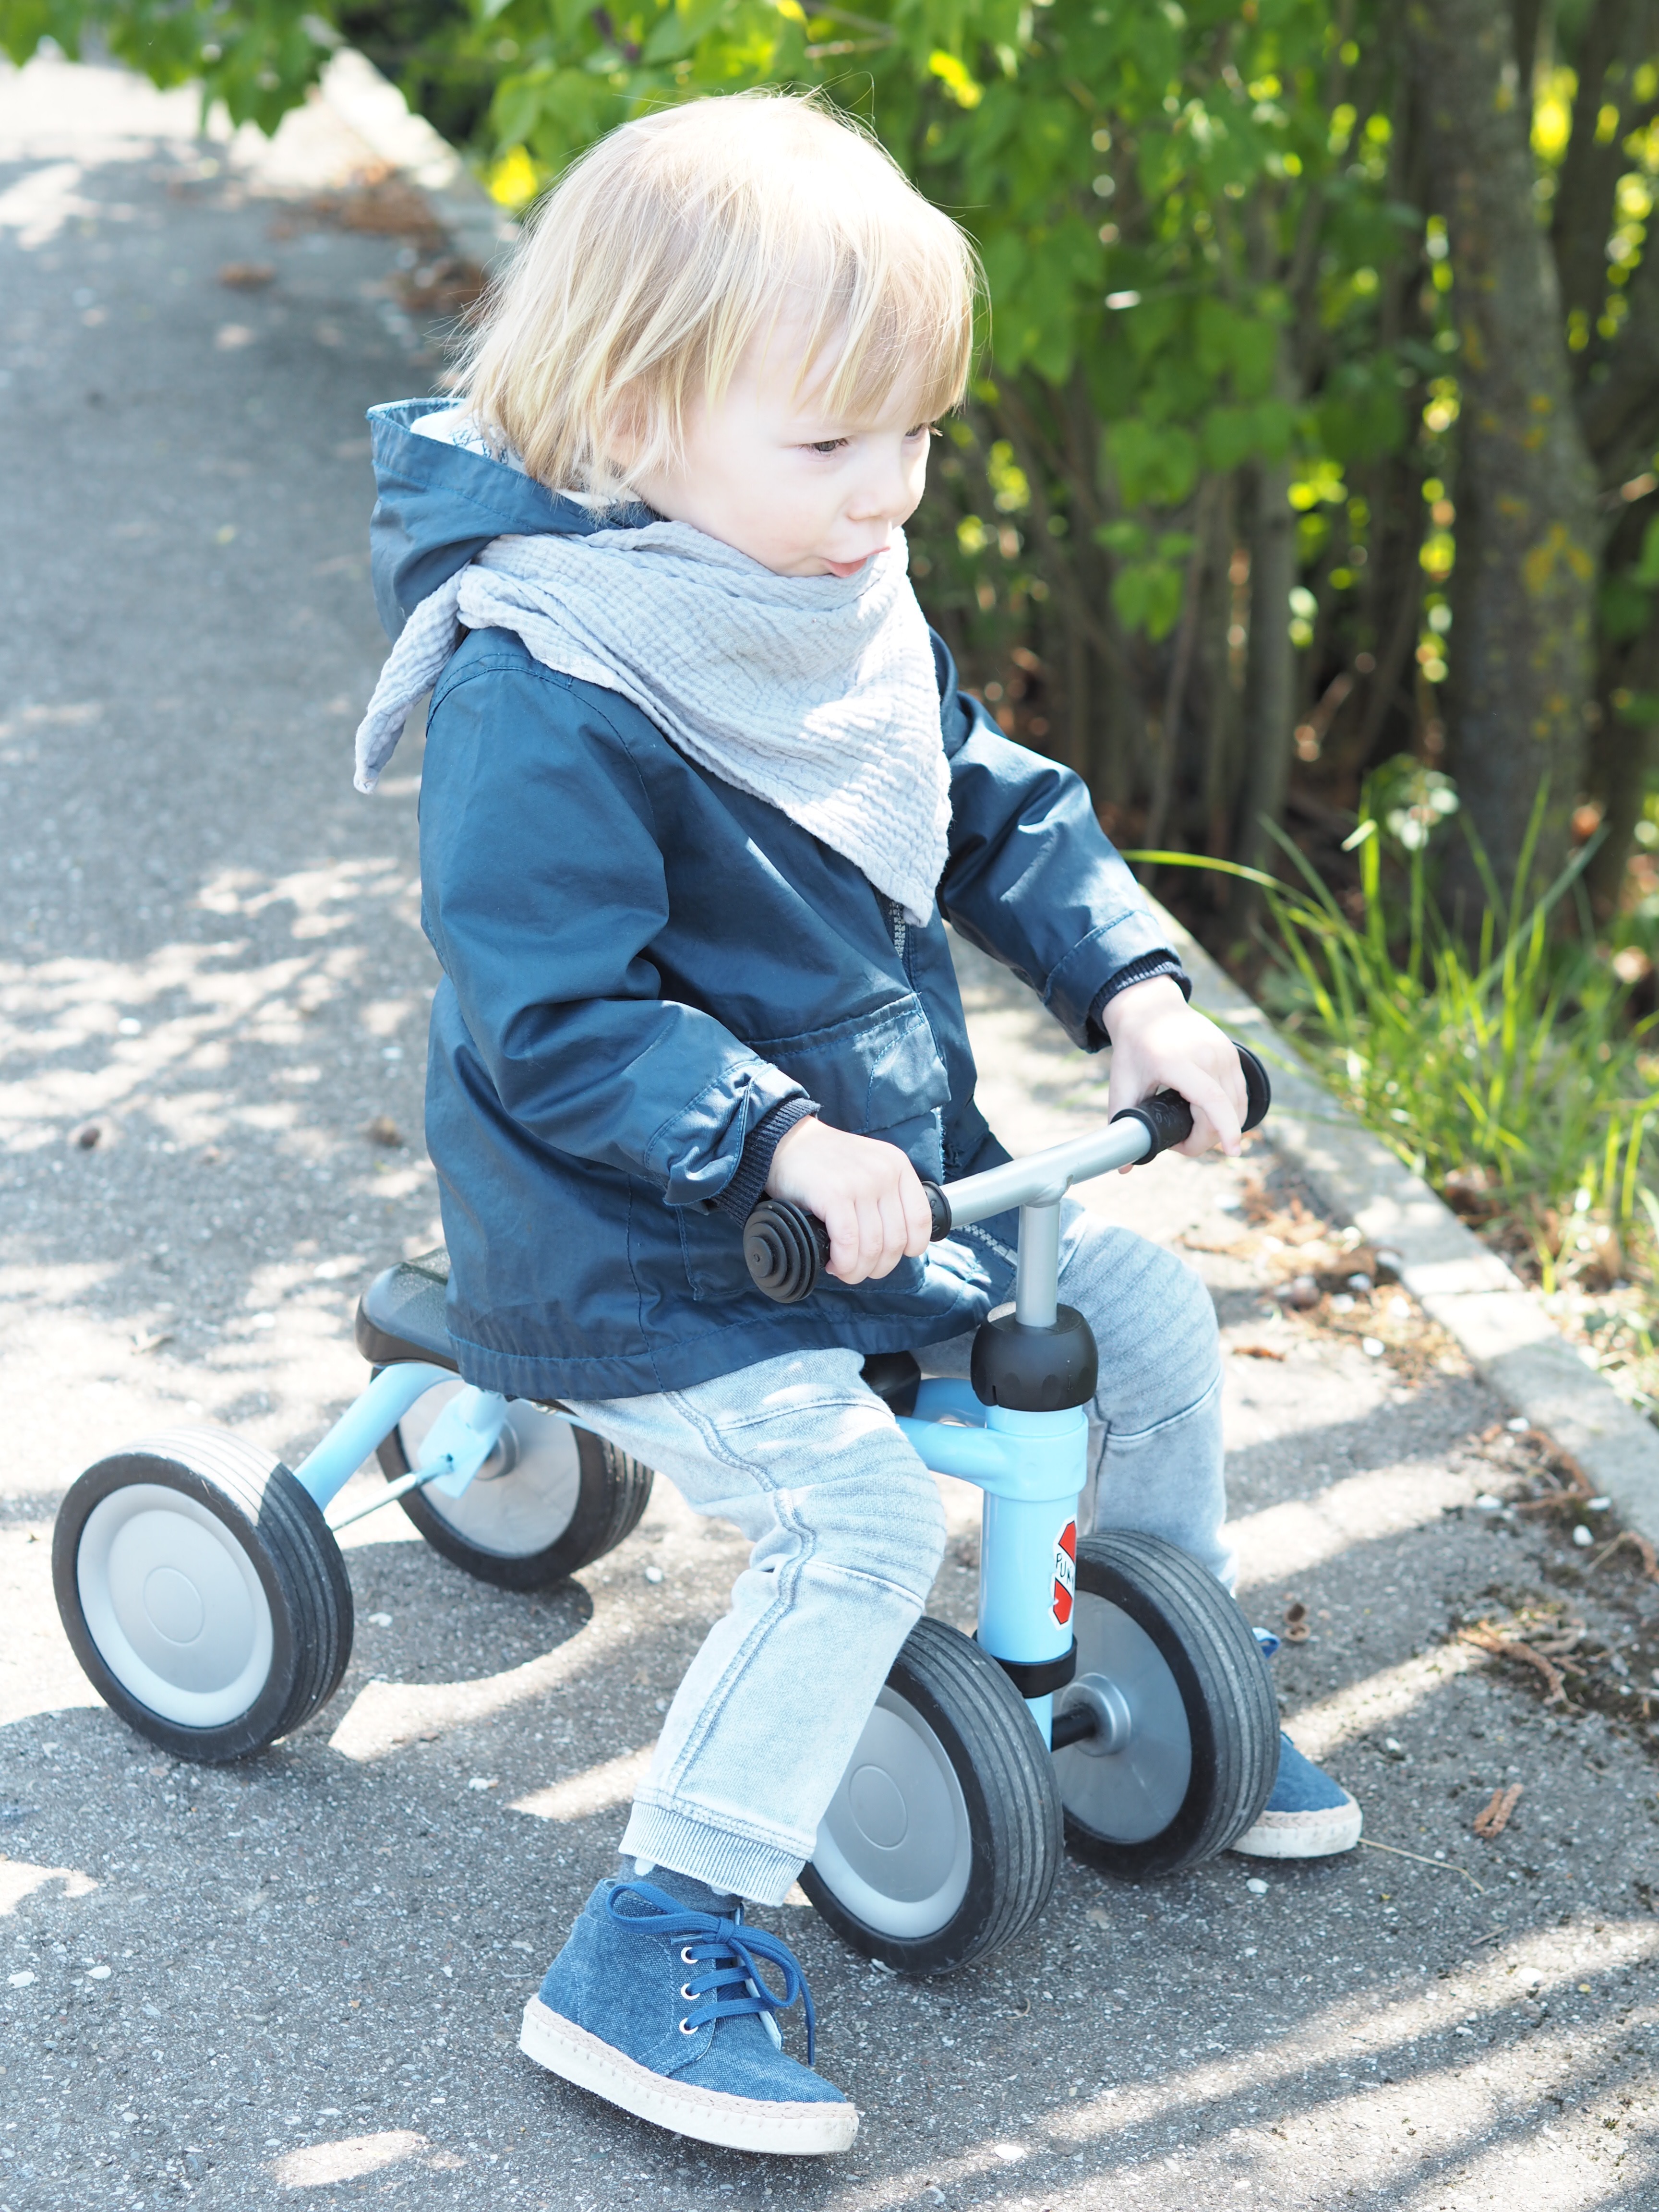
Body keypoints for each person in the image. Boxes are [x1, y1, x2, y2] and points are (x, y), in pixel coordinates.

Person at [353, 91, 1361, 2158]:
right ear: (637, 425)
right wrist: (776, 1138)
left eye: (915, 437)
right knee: (860, 1516)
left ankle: (1140, 1668)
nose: (888, 492)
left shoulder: (820, 596)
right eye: (832, 445)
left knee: (1149, 1333)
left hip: (872, 1198)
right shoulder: (543, 684)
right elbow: (550, 1019)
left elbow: (995, 807)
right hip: (634, 1241)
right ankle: (664, 1925)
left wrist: (1141, 990)